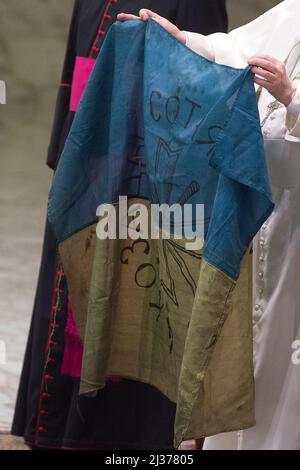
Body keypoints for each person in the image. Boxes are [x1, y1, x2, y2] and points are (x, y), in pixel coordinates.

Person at [12, 0, 228, 450]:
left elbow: (207, 79)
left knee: (131, 306)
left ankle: (123, 437)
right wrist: (65, 153)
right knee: (71, 292)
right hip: (86, 162)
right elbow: (75, 74)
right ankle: (58, 429)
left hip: (147, 173)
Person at [118, 0, 300, 450]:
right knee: (239, 330)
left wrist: (291, 95)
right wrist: (178, 40)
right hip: (260, 208)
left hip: (296, 229)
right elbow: (228, 50)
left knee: (284, 344)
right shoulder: (291, 12)